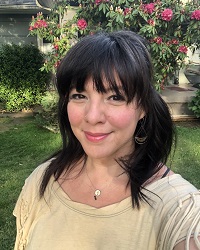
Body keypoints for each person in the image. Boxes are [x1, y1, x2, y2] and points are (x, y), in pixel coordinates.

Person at [13, 31, 200, 250]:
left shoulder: (180, 210)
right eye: (79, 96)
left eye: (115, 97)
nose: (92, 116)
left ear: (143, 108)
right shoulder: (41, 182)